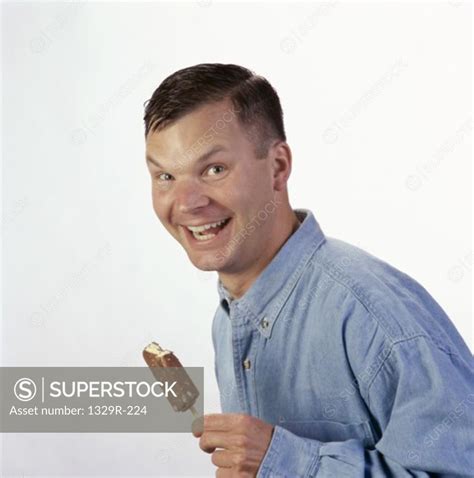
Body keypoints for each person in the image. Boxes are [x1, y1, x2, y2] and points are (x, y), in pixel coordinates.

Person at [143, 63, 473, 477]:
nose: (186, 202)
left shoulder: (373, 316)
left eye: (214, 170)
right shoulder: (227, 320)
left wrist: (287, 463)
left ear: (278, 166)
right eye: (165, 176)